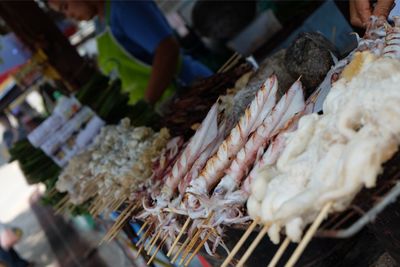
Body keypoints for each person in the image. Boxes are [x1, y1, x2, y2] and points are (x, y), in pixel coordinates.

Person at [48, 0, 213, 105]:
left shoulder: (124, 7)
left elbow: (167, 51)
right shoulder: (100, 23)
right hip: (171, 105)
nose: (69, 15)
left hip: (192, 91)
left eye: (65, 6)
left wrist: (147, 104)